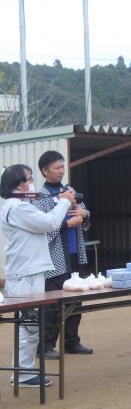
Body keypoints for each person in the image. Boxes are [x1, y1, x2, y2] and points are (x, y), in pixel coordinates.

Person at [0, 164, 75, 387]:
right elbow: (50, 223)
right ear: (19, 184)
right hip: (26, 274)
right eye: (29, 179)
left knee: (30, 324)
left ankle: (23, 371)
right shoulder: (18, 208)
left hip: (27, 271)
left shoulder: (18, 205)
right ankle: (23, 373)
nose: (32, 183)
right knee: (29, 325)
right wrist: (64, 201)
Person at [33, 151, 93, 359]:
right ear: (44, 171)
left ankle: (71, 341)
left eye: (62, 166)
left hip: (74, 252)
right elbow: (42, 229)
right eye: (56, 167)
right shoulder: (39, 198)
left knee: (76, 299)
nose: (61, 171)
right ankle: (46, 345)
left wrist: (84, 215)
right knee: (52, 303)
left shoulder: (69, 191)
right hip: (54, 258)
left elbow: (85, 215)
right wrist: (68, 223)